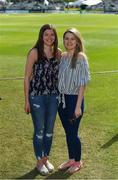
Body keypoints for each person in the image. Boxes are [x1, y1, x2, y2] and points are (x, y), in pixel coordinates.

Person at [24, 24, 61, 176]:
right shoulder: (34, 52)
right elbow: (26, 78)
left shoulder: (58, 53)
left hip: (53, 96)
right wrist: (26, 100)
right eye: (46, 34)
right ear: (41, 36)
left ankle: (45, 158)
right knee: (39, 131)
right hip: (37, 96)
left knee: (49, 131)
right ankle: (39, 162)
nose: (49, 37)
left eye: (52, 35)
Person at [58, 28, 90, 174]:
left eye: (72, 39)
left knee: (73, 132)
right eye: (66, 39)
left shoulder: (81, 57)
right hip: (62, 100)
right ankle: (71, 159)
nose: (69, 42)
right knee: (68, 132)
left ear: (77, 41)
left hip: (74, 100)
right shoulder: (63, 56)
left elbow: (83, 84)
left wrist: (78, 107)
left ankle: (78, 161)